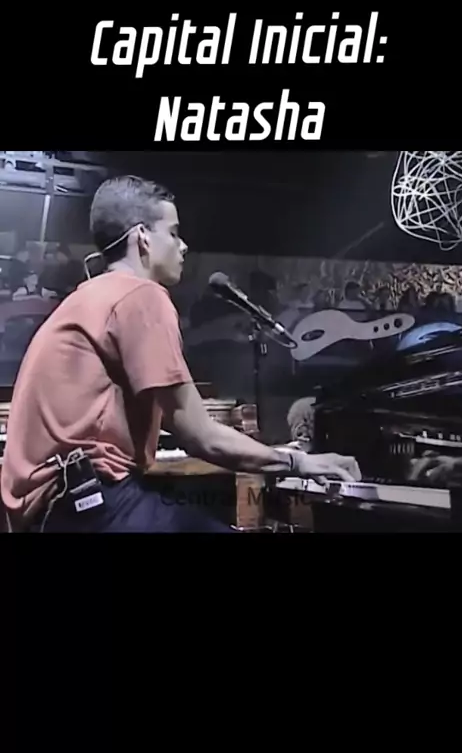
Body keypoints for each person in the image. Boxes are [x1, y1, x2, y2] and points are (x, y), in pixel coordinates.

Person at [0, 175, 361, 533]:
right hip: (86, 502)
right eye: (173, 233)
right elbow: (200, 436)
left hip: (50, 508)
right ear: (143, 237)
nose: (183, 245)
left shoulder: (86, 298)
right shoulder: (140, 295)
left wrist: (270, 453)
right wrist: (298, 461)